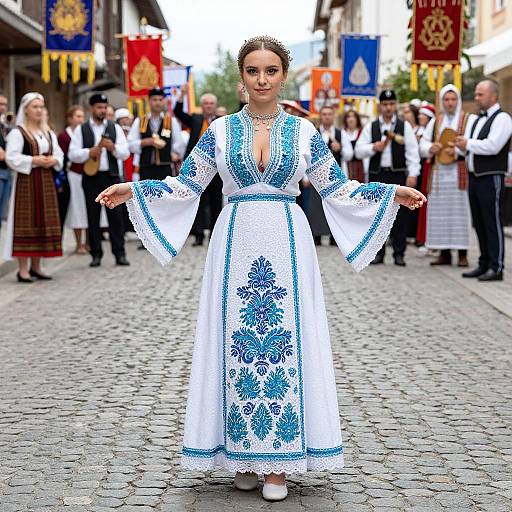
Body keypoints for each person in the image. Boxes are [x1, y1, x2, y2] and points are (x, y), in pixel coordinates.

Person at [95, 35, 425, 502]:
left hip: (288, 240)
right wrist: (134, 189)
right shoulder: (219, 131)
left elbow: (336, 188)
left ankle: (278, 465)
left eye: (271, 70)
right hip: (235, 239)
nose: (262, 79)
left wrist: (391, 193)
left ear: (283, 75)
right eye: (253, 71)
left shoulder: (305, 132)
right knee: (236, 341)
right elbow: (187, 185)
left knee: (285, 340)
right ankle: (242, 456)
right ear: (242, 77)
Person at [355, 89, 421, 266]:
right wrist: (373, 148)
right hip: (379, 174)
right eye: (385, 104)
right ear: (380, 106)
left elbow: (413, 152)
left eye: (391, 104)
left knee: (401, 215)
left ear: (396, 105)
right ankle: (379, 253)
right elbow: (359, 150)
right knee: (378, 214)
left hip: (398, 173)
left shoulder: (403, 126)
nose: (388, 108)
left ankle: (399, 253)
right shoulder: (371, 127)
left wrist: (413, 174)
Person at [3, 92, 64, 282]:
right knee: (26, 221)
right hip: (27, 182)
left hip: (45, 181)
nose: (39, 110)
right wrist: (33, 160)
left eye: (41, 107)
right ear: (26, 110)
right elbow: (11, 157)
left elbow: (60, 154)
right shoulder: (18, 132)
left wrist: (54, 160)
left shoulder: (47, 133)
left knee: (43, 220)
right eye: (35, 107)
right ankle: (23, 270)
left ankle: (37, 266)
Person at [455, 79, 512, 281]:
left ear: (493, 96)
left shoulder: (503, 118)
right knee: (479, 222)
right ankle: (484, 262)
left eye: (480, 94)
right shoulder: (476, 120)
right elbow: (469, 146)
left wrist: (467, 143)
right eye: (477, 94)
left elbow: (493, 146)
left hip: (491, 176)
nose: (477, 98)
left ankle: (496, 267)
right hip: (474, 176)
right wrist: (461, 145)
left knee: (492, 222)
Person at [69, 93, 130, 267]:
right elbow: (73, 153)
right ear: (91, 109)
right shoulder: (81, 129)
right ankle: (96, 254)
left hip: (111, 177)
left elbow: (125, 152)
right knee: (92, 216)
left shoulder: (114, 127)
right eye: (99, 107)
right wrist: (88, 152)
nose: (103, 110)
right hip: (91, 178)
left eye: (105, 107)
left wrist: (113, 148)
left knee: (116, 217)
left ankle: (120, 253)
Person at [420, 84, 471, 267]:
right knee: (440, 214)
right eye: (447, 100)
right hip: (439, 175)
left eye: (453, 99)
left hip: (458, 174)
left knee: (460, 214)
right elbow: (423, 144)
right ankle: (444, 252)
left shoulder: (467, 120)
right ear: (442, 102)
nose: (450, 103)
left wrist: (457, 150)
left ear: (458, 101)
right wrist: (430, 148)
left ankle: (463, 253)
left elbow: (472, 144)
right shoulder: (436, 122)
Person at [175, 88, 222, 246]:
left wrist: (242, 98)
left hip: (217, 169)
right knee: (199, 203)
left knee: (216, 203)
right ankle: (199, 235)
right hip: (198, 169)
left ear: (215, 106)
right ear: (201, 106)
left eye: (211, 103)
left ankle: (214, 236)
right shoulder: (195, 119)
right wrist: (181, 96)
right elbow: (178, 112)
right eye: (206, 103)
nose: (208, 106)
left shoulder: (222, 121)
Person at [307, 104, 353, 246]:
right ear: (321, 116)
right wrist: (305, 177)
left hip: (335, 175)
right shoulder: (314, 133)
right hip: (317, 176)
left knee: (336, 206)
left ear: (333, 116)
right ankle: (317, 235)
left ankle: (335, 236)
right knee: (316, 206)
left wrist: (340, 149)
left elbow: (350, 155)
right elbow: (306, 155)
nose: (327, 116)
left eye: (329, 114)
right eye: (324, 114)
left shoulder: (341, 134)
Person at [127, 87, 185, 182]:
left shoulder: (171, 121)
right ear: (149, 101)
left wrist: (174, 154)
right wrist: (144, 142)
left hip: (165, 167)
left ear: (164, 101)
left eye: (160, 99)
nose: (157, 102)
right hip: (145, 167)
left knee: (165, 195)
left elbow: (179, 143)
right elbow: (130, 144)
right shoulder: (140, 121)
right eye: (154, 100)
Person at [57, 105, 89, 254]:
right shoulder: (64, 136)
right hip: (73, 174)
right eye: (77, 116)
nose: (80, 119)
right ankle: (79, 243)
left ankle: (90, 241)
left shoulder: (86, 132)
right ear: (70, 118)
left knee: (89, 207)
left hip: (89, 173)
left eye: (82, 116)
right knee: (76, 208)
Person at [0, 92, 12, 229]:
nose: (3, 107)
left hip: (6, 170)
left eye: (4, 104)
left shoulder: (5, 124)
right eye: (0, 104)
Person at [343, 109, 366, 182]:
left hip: (360, 166)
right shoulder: (342, 133)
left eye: (353, 117)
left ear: (357, 119)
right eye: (349, 117)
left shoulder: (363, 133)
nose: (351, 119)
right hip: (346, 166)